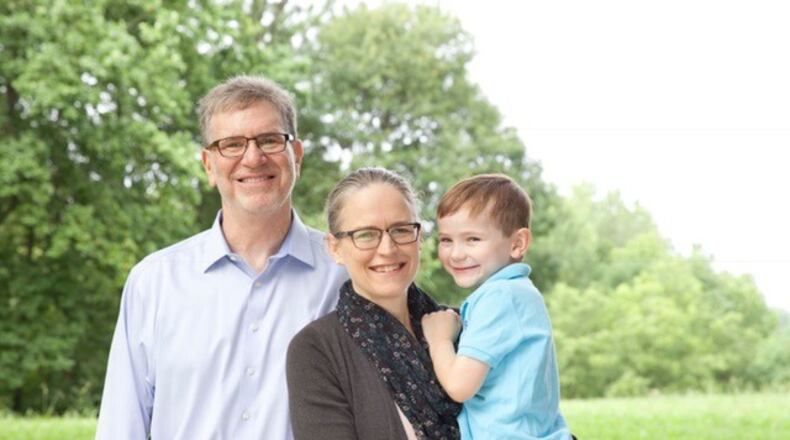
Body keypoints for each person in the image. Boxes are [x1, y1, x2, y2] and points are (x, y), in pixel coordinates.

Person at [95, 76, 347, 439]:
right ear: (208, 165)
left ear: (297, 155)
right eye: (231, 144)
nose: (253, 157)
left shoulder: (344, 274)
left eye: (270, 140)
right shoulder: (154, 283)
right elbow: (122, 428)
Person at [286, 167, 461, 440]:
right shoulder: (316, 350)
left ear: (420, 238)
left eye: (401, 230)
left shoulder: (462, 327)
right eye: (366, 234)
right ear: (335, 248)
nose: (388, 249)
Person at [421, 174, 572, 440]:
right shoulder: (518, 293)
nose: (456, 253)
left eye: (473, 239)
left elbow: (459, 386)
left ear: (517, 243)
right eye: (446, 240)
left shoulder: (501, 297)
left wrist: (439, 339)